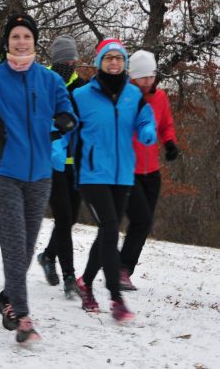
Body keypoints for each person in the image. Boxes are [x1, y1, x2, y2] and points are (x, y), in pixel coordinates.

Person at [0, 13, 77, 344]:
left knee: (26, 248)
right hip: (1, 174)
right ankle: (23, 316)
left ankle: (6, 299)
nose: (20, 42)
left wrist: (64, 119)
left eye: (26, 37)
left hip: (40, 176)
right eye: (14, 37)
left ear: (34, 41)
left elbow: (67, 110)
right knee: (16, 246)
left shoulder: (48, 79)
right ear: (7, 42)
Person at [72, 39, 156, 322]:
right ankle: (115, 298)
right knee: (109, 227)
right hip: (92, 173)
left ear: (125, 63)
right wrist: (57, 146)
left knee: (108, 232)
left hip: (122, 175)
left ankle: (84, 282)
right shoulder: (82, 95)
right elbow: (64, 123)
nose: (114, 63)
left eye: (119, 58)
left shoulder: (133, 95)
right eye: (108, 58)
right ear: (99, 62)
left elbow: (145, 118)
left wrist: (147, 130)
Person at [119, 50, 178, 290]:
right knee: (138, 219)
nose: (147, 81)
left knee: (143, 224)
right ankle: (119, 268)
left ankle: (124, 269)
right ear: (132, 77)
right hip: (127, 171)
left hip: (151, 172)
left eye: (150, 76)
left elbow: (166, 126)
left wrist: (171, 143)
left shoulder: (161, 98)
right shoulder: (123, 97)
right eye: (142, 77)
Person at [37, 35, 87, 299]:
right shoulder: (42, 80)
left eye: (72, 59)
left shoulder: (82, 86)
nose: (69, 62)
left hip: (75, 164)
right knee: (64, 218)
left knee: (71, 219)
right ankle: (69, 277)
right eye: (64, 59)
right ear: (55, 61)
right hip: (51, 162)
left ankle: (47, 256)